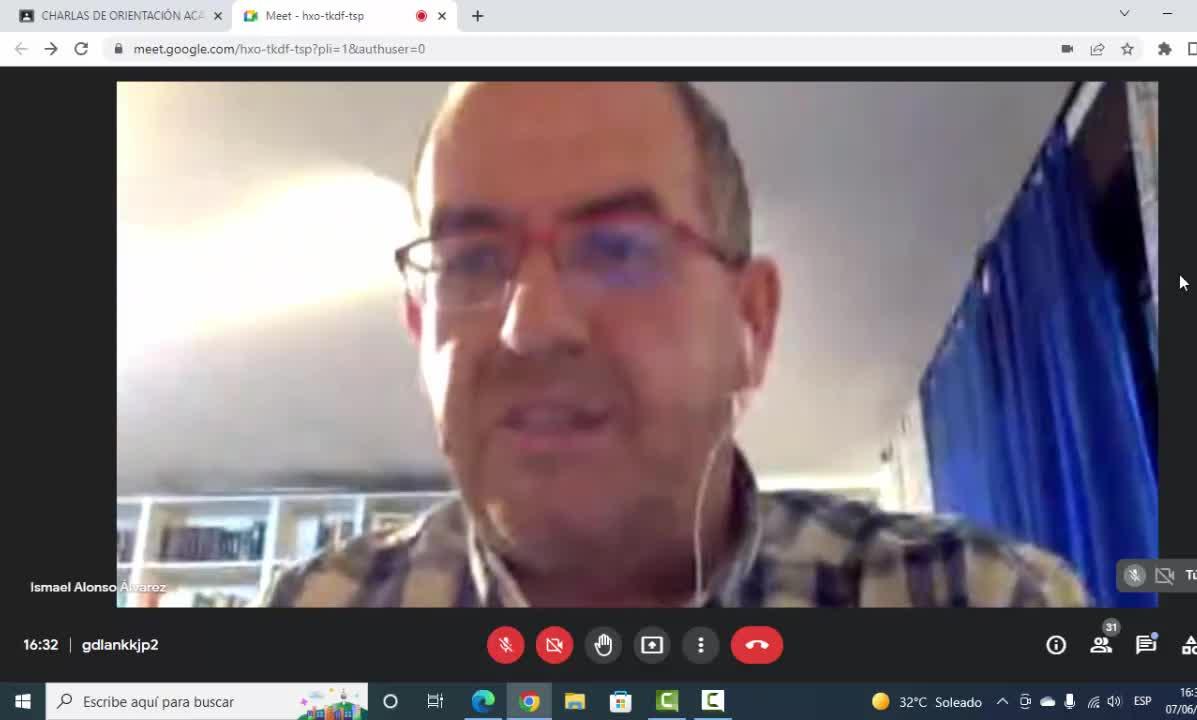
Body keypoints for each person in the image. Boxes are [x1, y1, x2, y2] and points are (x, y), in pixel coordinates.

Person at [261, 81, 1089, 608]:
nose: (531, 327)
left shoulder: (976, 605)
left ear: (751, 323)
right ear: (420, 327)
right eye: (472, 260)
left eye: (617, 249)